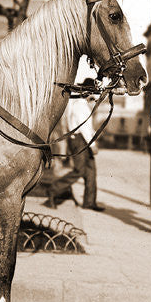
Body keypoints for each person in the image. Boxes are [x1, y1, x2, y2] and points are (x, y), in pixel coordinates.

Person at [64, 81, 104, 211]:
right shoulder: (80, 106)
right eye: (93, 92)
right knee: (80, 170)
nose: (94, 96)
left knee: (91, 171)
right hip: (80, 140)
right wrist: (93, 145)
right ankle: (54, 190)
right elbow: (85, 128)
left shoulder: (82, 105)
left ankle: (89, 202)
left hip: (82, 139)